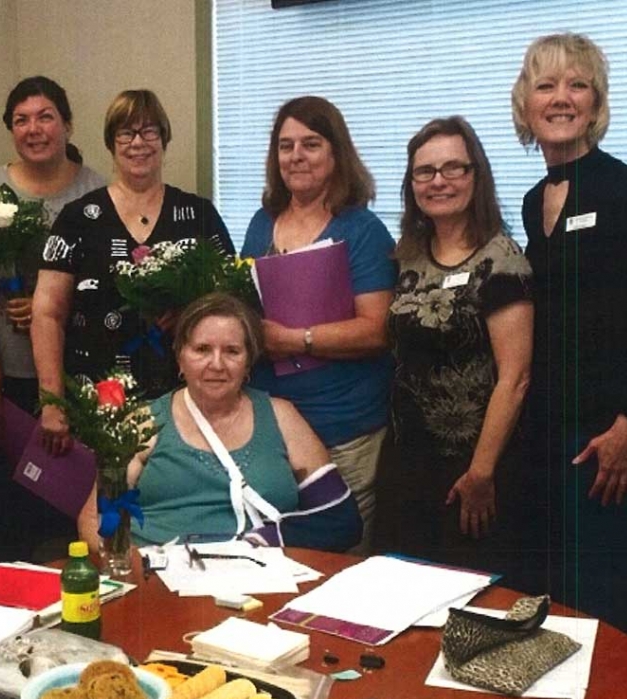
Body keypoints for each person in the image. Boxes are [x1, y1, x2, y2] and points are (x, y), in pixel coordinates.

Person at [512, 33, 627, 636]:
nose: (561, 98)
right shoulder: (534, 202)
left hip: (612, 436)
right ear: (525, 103)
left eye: (576, 84)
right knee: (549, 600)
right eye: (545, 85)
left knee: (604, 605)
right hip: (550, 432)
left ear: (596, 103)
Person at [34, 89, 234, 456]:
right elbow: (47, 313)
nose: (138, 143)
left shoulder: (199, 214)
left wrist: (190, 315)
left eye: (150, 131)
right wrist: (51, 402)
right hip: (96, 401)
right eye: (126, 133)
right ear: (111, 143)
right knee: (103, 505)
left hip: (186, 401)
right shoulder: (78, 218)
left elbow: (231, 305)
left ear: (164, 139)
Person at [241, 96, 395, 553]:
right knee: (278, 561)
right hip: (274, 430)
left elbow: (377, 329)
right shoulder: (261, 223)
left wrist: (295, 340)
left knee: (341, 561)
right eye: (285, 146)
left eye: (311, 144)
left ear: (336, 153)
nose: (296, 156)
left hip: (344, 428)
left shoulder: (362, 230)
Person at [380, 116, 533, 577]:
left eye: (453, 168)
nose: (438, 181)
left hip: (470, 470)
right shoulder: (406, 250)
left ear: (475, 176)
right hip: (406, 459)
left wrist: (482, 472)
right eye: (424, 172)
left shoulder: (502, 259)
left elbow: (516, 378)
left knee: (464, 602)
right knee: (395, 593)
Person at [122, 293, 360, 550]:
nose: (217, 364)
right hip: (159, 576)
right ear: (180, 356)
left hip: (261, 574)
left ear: (249, 362)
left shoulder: (281, 416)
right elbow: (96, 520)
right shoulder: (145, 421)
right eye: (202, 349)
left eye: (232, 351)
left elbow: (341, 521)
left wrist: (267, 540)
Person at [0, 76, 104, 412]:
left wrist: (46, 306)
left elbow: (105, 280)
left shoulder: (95, 191)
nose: (33, 129)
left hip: (79, 361)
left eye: (45, 117)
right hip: (10, 365)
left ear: (67, 125)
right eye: (21, 120)